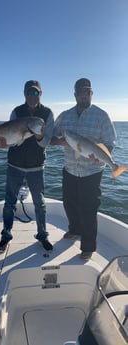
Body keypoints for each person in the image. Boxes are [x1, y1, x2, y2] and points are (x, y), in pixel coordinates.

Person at [51, 78, 116, 260]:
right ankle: (74, 230)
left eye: (87, 91)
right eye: (80, 91)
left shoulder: (102, 116)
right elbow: (52, 137)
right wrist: (60, 141)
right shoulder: (65, 116)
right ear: (75, 94)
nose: (84, 94)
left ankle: (88, 247)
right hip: (70, 168)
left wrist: (103, 155)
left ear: (92, 93)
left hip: (92, 171)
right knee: (69, 203)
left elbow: (110, 143)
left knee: (89, 209)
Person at [0, 80, 54, 252]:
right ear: (24, 93)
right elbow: (11, 139)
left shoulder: (47, 113)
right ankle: (6, 236)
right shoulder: (17, 111)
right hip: (15, 165)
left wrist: (39, 137)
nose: (32, 96)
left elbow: (46, 141)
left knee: (40, 204)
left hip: (36, 166)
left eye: (36, 92)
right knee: (9, 203)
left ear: (41, 94)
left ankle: (42, 236)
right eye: (29, 92)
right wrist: (3, 144)